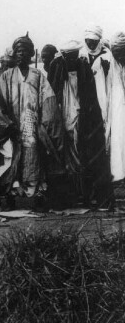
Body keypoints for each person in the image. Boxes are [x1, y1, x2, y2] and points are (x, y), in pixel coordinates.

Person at [0, 33, 64, 209]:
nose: (20, 54)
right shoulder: (6, 76)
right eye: (17, 51)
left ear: (31, 54)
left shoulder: (38, 75)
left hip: (32, 127)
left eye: (24, 51)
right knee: (10, 162)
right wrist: (6, 124)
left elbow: (48, 101)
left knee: (34, 159)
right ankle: (10, 195)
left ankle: (36, 195)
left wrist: (45, 124)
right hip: (10, 127)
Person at [48, 40, 112, 209]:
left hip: (81, 117)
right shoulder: (56, 67)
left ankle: (86, 195)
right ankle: (67, 196)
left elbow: (90, 95)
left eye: (75, 55)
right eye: (70, 56)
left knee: (83, 156)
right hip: (60, 117)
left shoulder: (84, 68)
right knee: (63, 158)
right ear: (64, 55)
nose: (73, 59)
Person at [79, 25, 112, 132]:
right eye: (89, 41)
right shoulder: (81, 55)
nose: (91, 44)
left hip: (102, 95)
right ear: (85, 40)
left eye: (94, 41)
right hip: (85, 96)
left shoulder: (107, 55)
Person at [106, 32, 125, 184]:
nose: (119, 57)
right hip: (118, 110)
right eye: (116, 54)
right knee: (118, 140)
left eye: (121, 53)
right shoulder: (112, 64)